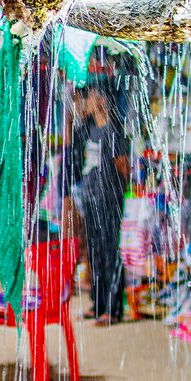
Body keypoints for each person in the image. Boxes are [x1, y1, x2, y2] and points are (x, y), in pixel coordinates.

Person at [76, 84, 130, 324]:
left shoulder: (113, 131)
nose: (85, 102)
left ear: (101, 100)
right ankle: (98, 303)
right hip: (92, 200)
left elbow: (123, 166)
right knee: (95, 252)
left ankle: (113, 308)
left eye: (89, 98)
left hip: (108, 200)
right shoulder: (90, 130)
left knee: (109, 252)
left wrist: (119, 192)